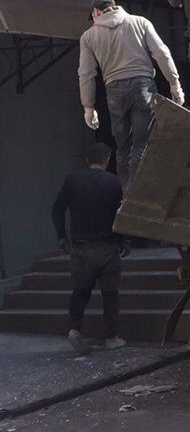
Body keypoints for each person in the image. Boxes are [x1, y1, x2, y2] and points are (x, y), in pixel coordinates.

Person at [79, 0, 184, 190]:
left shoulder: (88, 36)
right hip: (143, 86)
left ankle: (126, 193)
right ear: (113, 6)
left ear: (95, 12)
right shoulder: (140, 22)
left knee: (123, 147)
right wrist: (174, 83)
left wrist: (88, 106)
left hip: (114, 91)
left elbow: (86, 73)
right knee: (141, 143)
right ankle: (137, 192)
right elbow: (162, 53)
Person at [51, 143, 128, 355]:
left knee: (80, 292)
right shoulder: (113, 182)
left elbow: (57, 210)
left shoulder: (72, 180)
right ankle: (111, 337)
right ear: (107, 160)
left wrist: (61, 237)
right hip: (108, 246)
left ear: (87, 160)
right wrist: (124, 241)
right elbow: (120, 216)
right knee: (110, 294)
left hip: (80, 247)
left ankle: (74, 330)